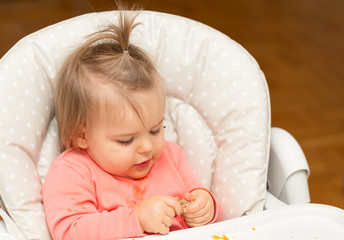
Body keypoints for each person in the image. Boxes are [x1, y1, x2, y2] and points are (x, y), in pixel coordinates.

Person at [42, 7, 223, 240]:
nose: (148, 146)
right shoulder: (73, 171)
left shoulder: (171, 156)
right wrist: (136, 218)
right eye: (126, 140)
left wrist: (207, 208)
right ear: (82, 136)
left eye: (156, 129)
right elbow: (70, 232)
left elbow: (206, 217)